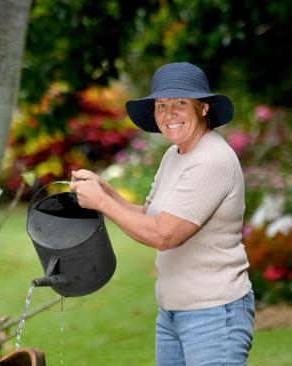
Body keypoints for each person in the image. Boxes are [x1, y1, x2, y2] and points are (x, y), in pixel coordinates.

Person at [70, 61, 254, 365]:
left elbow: (164, 234)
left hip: (213, 314)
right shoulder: (175, 155)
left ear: (204, 108)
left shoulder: (212, 159)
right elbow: (150, 215)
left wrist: (103, 204)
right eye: (161, 105)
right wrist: (106, 191)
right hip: (173, 312)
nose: (169, 114)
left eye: (181, 103)